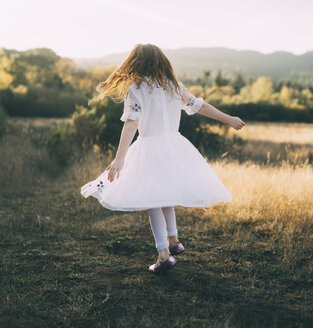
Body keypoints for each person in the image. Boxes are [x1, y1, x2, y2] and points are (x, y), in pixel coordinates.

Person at [80, 43, 245, 273]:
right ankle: (173, 241)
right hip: (174, 146)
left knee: (153, 199)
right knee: (163, 193)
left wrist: (120, 158)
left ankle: (163, 255)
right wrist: (228, 119)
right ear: (162, 62)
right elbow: (199, 106)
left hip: (150, 147)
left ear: (135, 63)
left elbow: (131, 123)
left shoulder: (136, 88)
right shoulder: (173, 86)